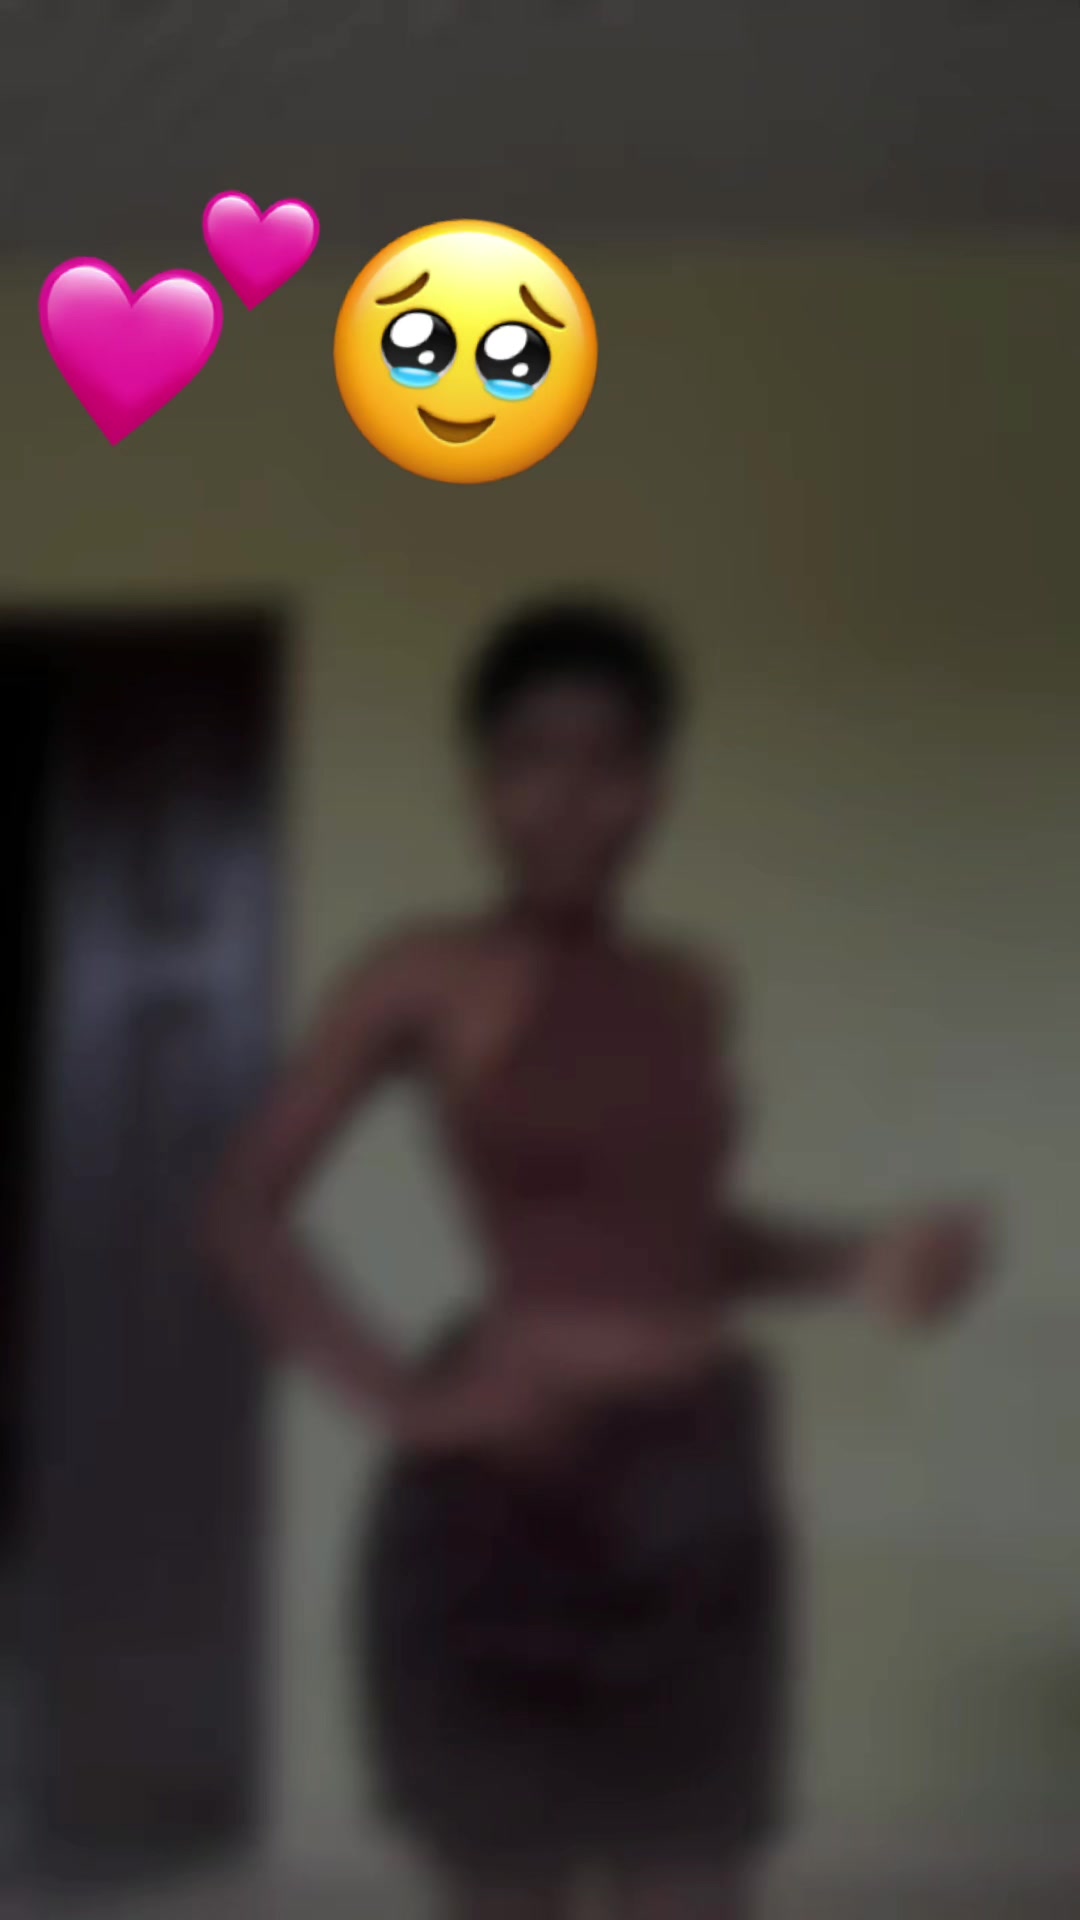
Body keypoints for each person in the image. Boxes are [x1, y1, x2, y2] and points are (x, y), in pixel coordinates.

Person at [202, 598, 988, 1920]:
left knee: (697, 1881)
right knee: (508, 1886)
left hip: (697, 1491)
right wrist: (406, 1401)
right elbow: (241, 1208)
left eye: (609, 762)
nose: (570, 801)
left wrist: (862, 1264)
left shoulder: (690, 987)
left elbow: (686, 1242)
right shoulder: (422, 974)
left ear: (656, 788)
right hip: (505, 1502)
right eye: (530, 760)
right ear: (481, 788)